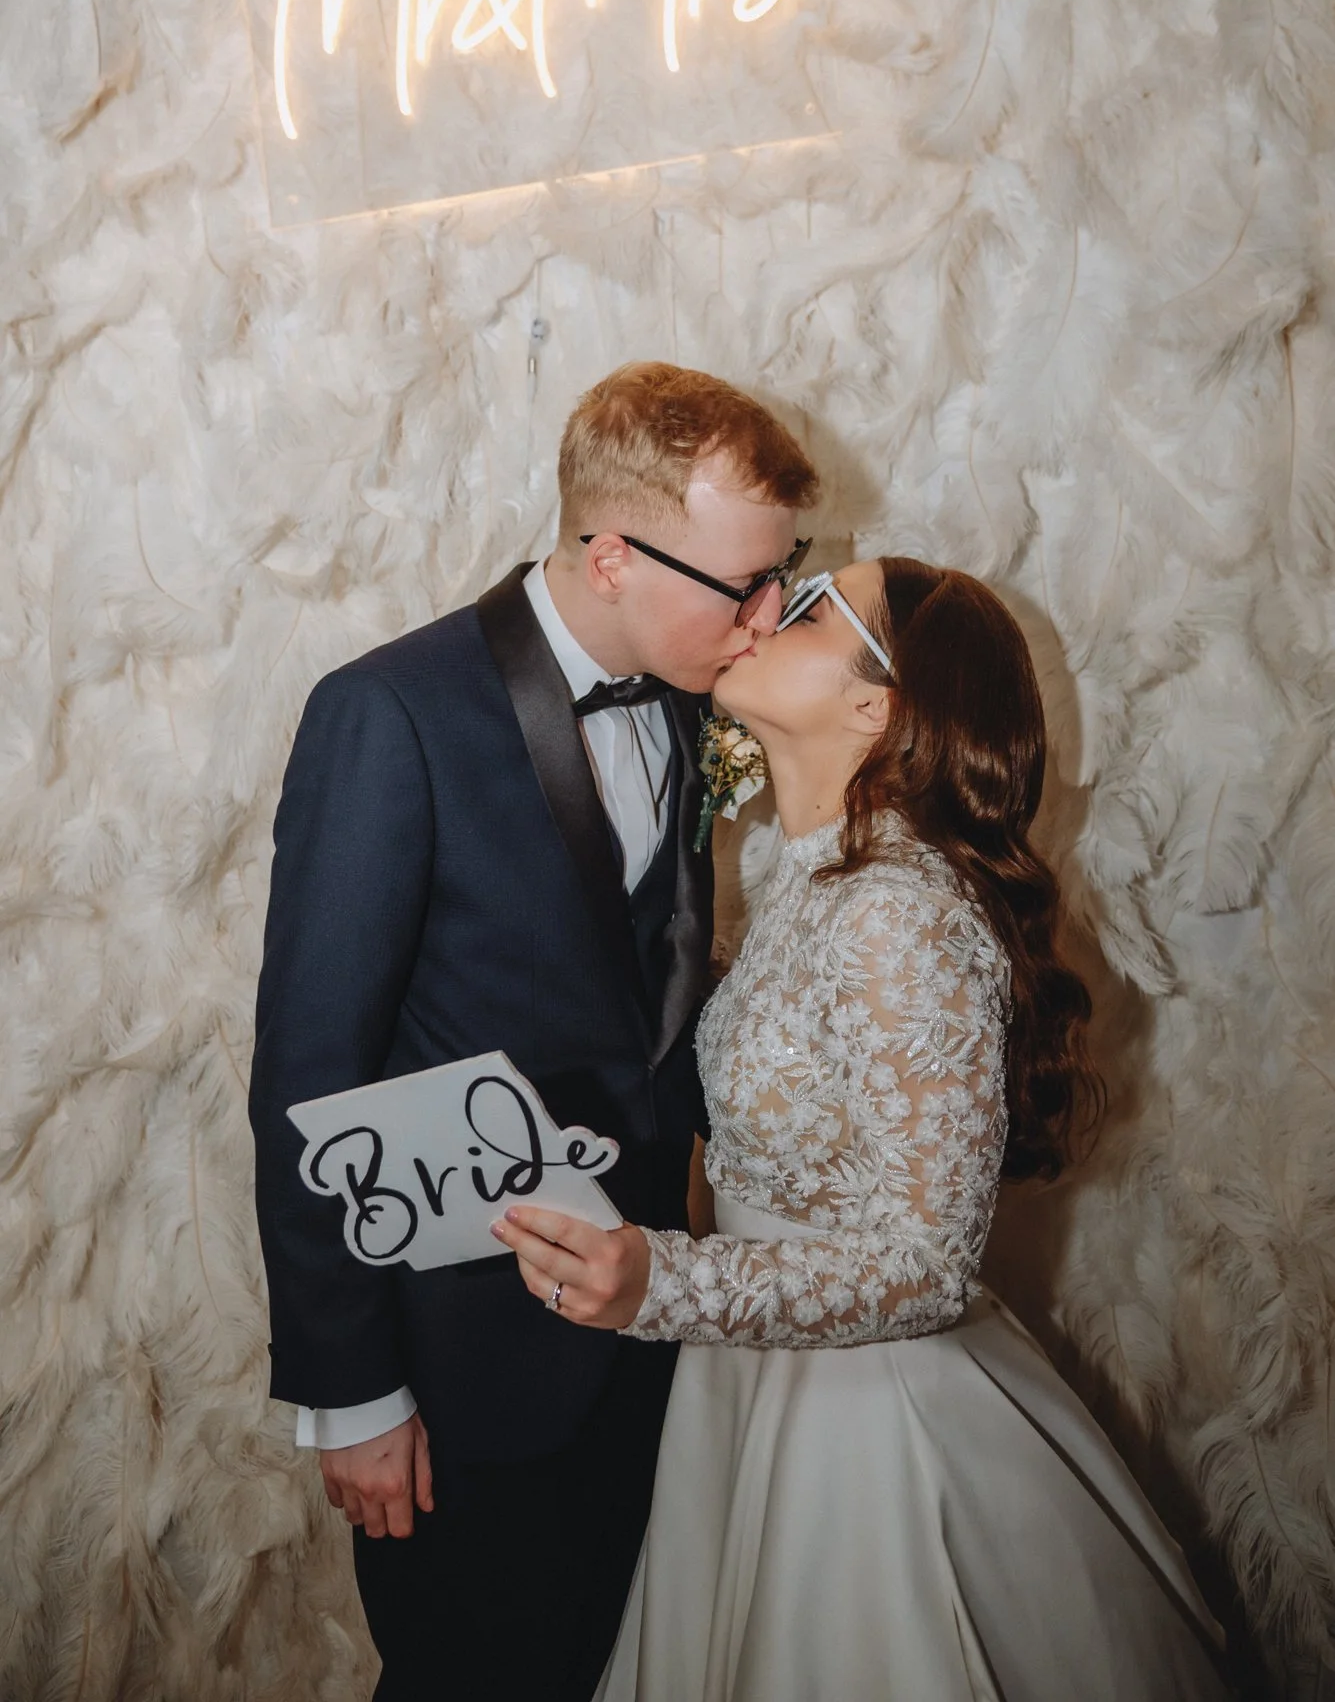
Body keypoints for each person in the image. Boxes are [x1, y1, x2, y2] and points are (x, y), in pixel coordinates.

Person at [493, 556, 1231, 1701]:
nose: (760, 611)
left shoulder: (899, 910)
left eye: (806, 607)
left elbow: (929, 1264)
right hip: (752, 1389)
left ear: (876, 705)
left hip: (865, 1437)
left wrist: (663, 1286)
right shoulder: (817, 878)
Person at [248, 361, 820, 1702]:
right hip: (460, 1371)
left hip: (652, 1332)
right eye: (735, 583)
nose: (763, 617)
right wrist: (355, 1392)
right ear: (609, 555)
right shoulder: (387, 714)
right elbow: (307, 1074)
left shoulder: (696, 700)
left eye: (780, 572)